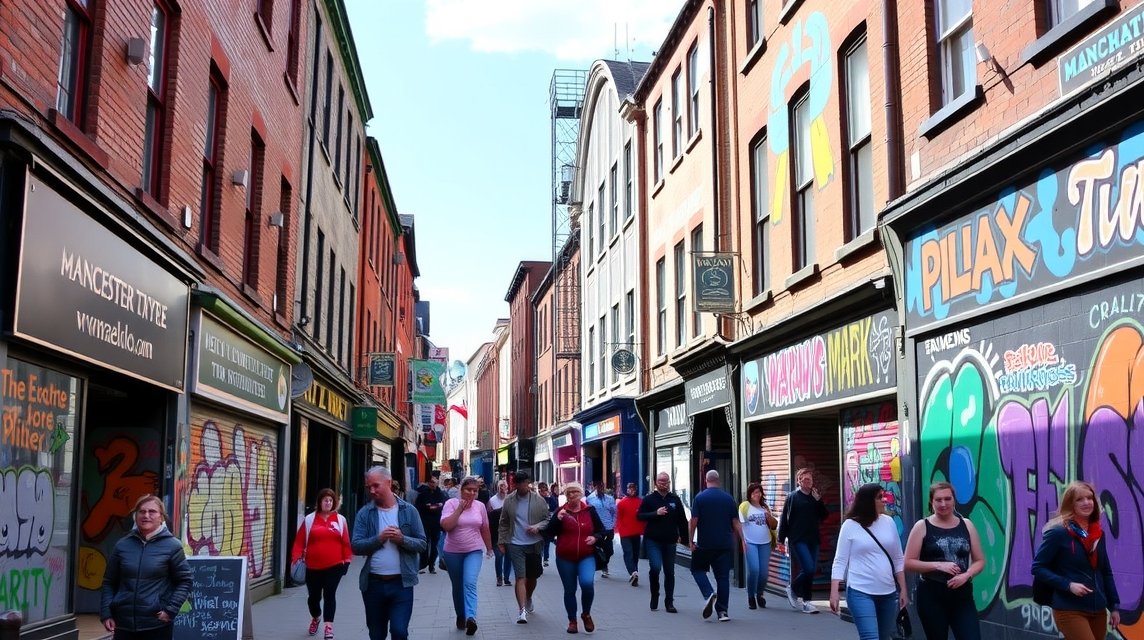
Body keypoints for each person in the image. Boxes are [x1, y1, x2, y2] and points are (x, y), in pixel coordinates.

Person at [1032, 480, 1120, 640]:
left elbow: (1106, 572)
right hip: (1069, 608)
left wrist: (1113, 607)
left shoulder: (1098, 534)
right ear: (1070, 504)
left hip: (1098, 610)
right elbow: (1038, 568)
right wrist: (1068, 585)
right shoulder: (1058, 533)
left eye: (1089, 498)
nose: (1087, 502)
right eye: (1080, 499)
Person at [100, 494, 193, 640]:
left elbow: (184, 581)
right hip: (123, 625)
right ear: (135, 516)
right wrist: (106, 614)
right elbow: (109, 582)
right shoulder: (122, 545)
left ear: (161, 517)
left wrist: (170, 610)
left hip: (156, 625)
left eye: (152, 511)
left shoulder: (172, 546)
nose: (146, 515)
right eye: (142, 511)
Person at [351, 466, 428, 640]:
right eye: (368, 487)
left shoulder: (409, 511)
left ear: (388, 483)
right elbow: (355, 546)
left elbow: (422, 544)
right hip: (373, 584)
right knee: (376, 634)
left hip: (402, 583)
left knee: (399, 631)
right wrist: (378, 539)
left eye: (376, 485)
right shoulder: (365, 513)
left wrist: (402, 539)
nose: (372, 490)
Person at [903, 482, 985, 640]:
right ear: (931, 501)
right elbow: (908, 562)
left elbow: (980, 560)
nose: (943, 504)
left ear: (954, 500)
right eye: (938, 500)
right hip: (931, 594)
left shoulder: (967, 524)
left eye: (947, 499)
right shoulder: (922, 526)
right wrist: (938, 565)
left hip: (962, 595)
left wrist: (966, 575)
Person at [829, 483, 909, 640]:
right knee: (870, 637)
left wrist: (903, 589)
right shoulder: (849, 525)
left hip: (888, 592)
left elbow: (898, 558)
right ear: (867, 501)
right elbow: (840, 560)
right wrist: (834, 591)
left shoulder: (889, 522)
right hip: (860, 591)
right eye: (879, 497)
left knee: (884, 637)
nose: (884, 500)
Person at [290, 488, 353, 639]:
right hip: (313, 567)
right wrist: (295, 559)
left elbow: (346, 543)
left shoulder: (340, 520)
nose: (328, 503)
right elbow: (299, 542)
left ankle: (328, 627)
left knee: (330, 595)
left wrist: (347, 561)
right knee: (313, 598)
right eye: (325, 500)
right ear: (320, 502)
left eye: (330, 500)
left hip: (335, 566)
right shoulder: (310, 519)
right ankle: (316, 617)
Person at [544, 482, 606, 634]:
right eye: (569, 493)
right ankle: (572, 621)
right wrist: (557, 519)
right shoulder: (561, 511)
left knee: (587, 583)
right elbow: (549, 533)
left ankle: (586, 614)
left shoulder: (590, 510)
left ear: (581, 494)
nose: (572, 495)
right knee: (570, 590)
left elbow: (602, 530)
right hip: (565, 557)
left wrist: (595, 537)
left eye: (575, 492)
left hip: (586, 555)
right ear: (565, 495)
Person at [441, 476, 494, 636]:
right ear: (461, 490)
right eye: (468, 490)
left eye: (475, 491)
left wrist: (489, 548)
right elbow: (446, 526)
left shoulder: (480, 506)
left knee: (470, 582)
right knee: (457, 586)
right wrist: (460, 509)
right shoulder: (451, 504)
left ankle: (471, 617)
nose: (472, 493)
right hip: (452, 552)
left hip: (474, 550)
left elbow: (485, 527)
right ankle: (461, 615)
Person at [689, 470, 743, 622]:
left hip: (705, 544)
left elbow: (694, 521)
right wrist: (742, 540)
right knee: (723, 578)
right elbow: (736, 522)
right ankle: (723, 612)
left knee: (697, 570)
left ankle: (708, 593)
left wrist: (690, 540)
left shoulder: (700, 498)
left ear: (706, 480)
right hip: (724, 544)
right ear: (718, 481)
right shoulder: (728, 498)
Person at [498, 470, 551, 623]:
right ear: (515, 484)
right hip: (515, 543)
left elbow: (547, 519)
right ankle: (521, 611)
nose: (522, 486)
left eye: (525, 483)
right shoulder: (509, 500)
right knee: (520, 576)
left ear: (528, 483)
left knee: (533, 576)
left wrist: (537, 527)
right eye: (519, 483)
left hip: (534, 543)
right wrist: (501, 541)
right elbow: (504, 522)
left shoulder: (539, 500)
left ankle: (528, 597)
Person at [637, 471, 689, 613]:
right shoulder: (649, 499)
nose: (663, 483)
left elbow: (682, 520)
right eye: (661, 481)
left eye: (666, 481)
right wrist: (656, 513)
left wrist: (685, 539)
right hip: (653, 540)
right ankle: (655, 594)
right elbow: (640, 516)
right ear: (656, 483)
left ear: (669, 482)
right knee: (655, 567)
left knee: (669, 572)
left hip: (670, 541)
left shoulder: (675, 499)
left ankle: (669, 602)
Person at [778, 467, 828, 613]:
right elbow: (784, 518)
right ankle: (797, 592)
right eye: (805, 479)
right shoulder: (793, 497)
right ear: (799, 481)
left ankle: (805, 601)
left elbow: (824, 516)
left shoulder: (814, 497)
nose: (808, 482)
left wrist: (819, 501)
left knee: (810, 571)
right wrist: (781, 539)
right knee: (808, 568)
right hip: (798, 538)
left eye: (810, 479)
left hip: (813, 538)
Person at [739, 482, 778, 610]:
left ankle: (760, 594)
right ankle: (751, 596)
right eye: (755, 492)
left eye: (759, 492)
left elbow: (773, 525)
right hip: (750, 542)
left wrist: (768, 516)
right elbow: (740, 525)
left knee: (764, 573)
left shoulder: (764, 507)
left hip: (765, 542)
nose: (757, 494)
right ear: (750, 494)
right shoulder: (745, 506)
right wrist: (742, 541)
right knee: (754, 569)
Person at [615, 481, 645, 587]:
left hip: (636, 532)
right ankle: (633, 572)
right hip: (625, 533)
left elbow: (643, 517)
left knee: (635, 554)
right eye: (629, 489)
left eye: (633, 489)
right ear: (626, 490)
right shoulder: (622, 503)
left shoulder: (640, 502)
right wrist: (618, 530)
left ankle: (634, 572)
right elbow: (619, 518)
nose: (631, 491)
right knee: (629, 553)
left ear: (636, 490)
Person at [414, 475, 447, 574]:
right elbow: (418, 507)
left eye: (434, 482)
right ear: (428, 483)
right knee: (424, 544)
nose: (433, 484)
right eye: (431, 482)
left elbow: (444, 506)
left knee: (434, 545)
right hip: (425, 522)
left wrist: (439, 506)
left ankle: (431, 565)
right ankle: (422, 564)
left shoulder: (440, 494)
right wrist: (426, 506)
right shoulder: (423, 494)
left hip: (436, 523)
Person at [586, 483, 617, 577]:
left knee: (609, 550)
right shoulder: (589, 499)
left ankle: (604, 563)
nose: (599, 488)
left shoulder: (610, 499)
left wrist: (613, 523)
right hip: (597, 529)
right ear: (594, 487)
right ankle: (601, 566)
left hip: (608, 528)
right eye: (597, 486)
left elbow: (614, 512)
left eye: (601, 486)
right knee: (597, 548)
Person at [487, 480, 513, 586]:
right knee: (499, 555)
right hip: (496, 532)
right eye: (500, 486)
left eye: (504, 486)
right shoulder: (492, 500)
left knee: (509, 556)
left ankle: (506, 577)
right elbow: (489, 516)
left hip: (509, 532)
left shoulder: (510, 499)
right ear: (497, 488)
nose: (502, 488)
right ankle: (499, 577)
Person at [539, 482, 559, 567]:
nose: (544, 492)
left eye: (545, 490)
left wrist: (552, 513)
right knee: (540, 543)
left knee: (546, 542)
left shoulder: (550, 499)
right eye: (542, 490)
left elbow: (556, 508)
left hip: (548, 523)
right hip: (539, 523)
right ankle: (540, 558)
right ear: (539, 491)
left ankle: (545, 559)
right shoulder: (537, 500)